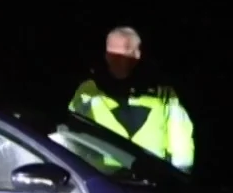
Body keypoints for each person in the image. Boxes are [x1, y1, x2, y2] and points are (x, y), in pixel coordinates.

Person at [68, 26, 194, 171]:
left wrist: (178, 182)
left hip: (152, 184)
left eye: (125, 52)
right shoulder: (88, 91)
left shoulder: (163, 93)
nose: (118, 59)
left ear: (137, 55)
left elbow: (182, 147)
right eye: (112, 53)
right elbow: (71, 137)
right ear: (106, 55)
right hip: (102, 184)